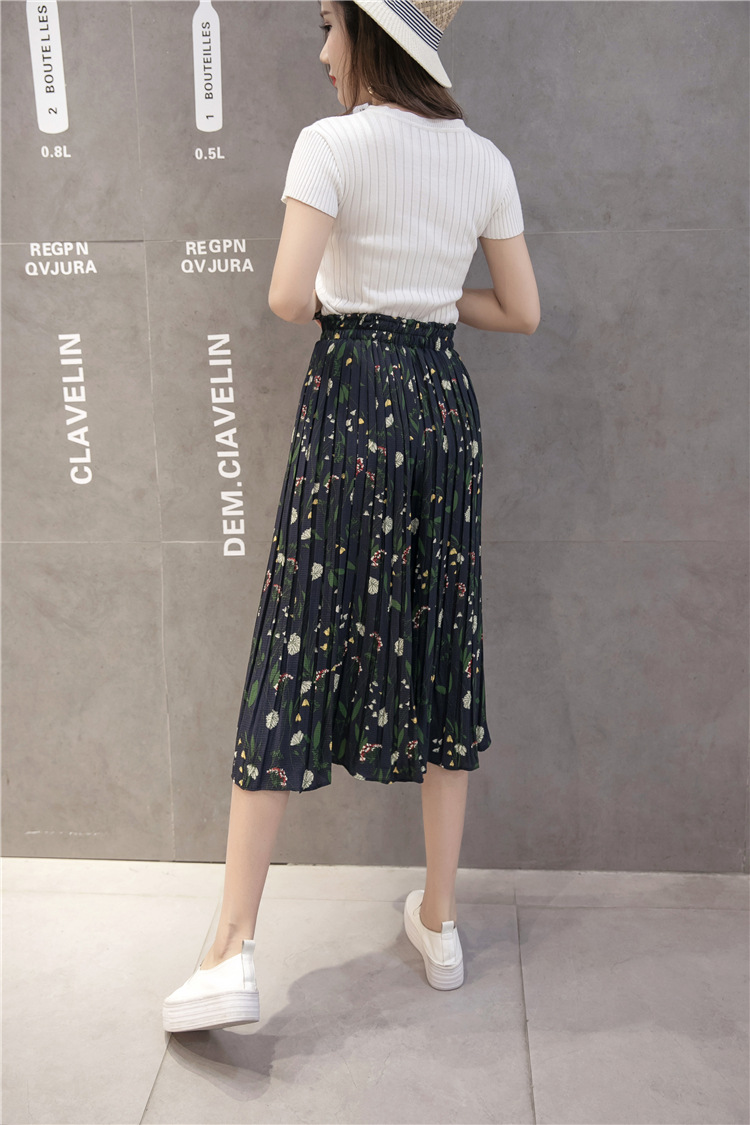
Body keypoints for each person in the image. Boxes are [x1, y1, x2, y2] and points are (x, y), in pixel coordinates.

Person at [163, 0, 540, 1034]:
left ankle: (231, 948)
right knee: (442, 636)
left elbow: (290, 296)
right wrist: (433, 299)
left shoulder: (331, 144)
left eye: (329, 26)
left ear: (371, 34)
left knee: (297, 634)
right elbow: (520, 310)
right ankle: (442, 924)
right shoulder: (484, 159)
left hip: (356, 397)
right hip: (443, 407)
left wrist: (364, 301)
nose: (325, 52)